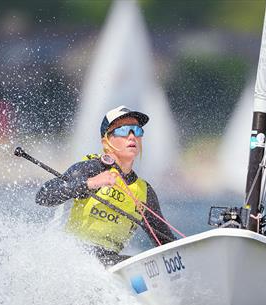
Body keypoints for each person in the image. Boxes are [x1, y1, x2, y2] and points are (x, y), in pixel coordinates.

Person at [36, 105, 176, 265]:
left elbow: (166, 243)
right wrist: (89, 183)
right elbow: (43, 196)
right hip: (68, 257)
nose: (132, 137)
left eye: (137, 131)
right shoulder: (89, 169)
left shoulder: (144, 192)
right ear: (106, 140)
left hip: (110, 262)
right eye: (124, 130)